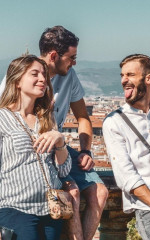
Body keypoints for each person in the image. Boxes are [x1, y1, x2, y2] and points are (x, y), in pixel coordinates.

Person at [0, 26, 108, 240]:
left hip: (54, 157)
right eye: (71, 57)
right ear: (53, 55)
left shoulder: (65, 83)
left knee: (100, 192)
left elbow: (83, 117)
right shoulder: (7, 106)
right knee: (73, 193)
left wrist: (82, 149)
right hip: (17, 205)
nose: (74, 63)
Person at [0, 55, 72, 240]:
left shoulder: (46, 119)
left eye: (44, 75)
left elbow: (63, 170)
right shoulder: (2, 119)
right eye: (35, 74)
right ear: (16, 81)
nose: (43, 79)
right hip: (16, 210)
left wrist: (59, 140)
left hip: (51, 210)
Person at [103, 54, 150, 240]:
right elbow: (126, 177)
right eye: (122, 75)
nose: (124, 80)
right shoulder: (115, 122)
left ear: (149, 78)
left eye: (130, 75)